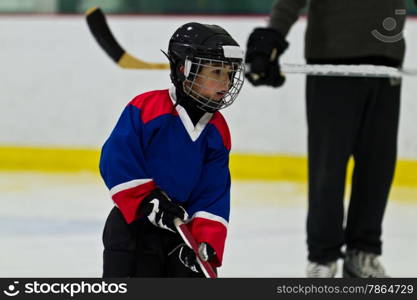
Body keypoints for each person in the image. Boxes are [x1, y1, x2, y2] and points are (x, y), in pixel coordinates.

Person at [245, 0, 412, 277]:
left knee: (378, 164)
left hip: (387, 60)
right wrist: (272, 36)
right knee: (328, 165)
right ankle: (323, 257)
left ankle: (363, 251)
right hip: (331, 59)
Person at [99, 22, 244, 277]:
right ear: (184, 70)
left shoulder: (217, 130)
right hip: (134, 230)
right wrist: (146, 199)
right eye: (216, 72)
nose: (226, 82)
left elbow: (213, 191)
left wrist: (205, 240)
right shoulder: (147, 108)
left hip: (183, 235)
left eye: (230, 73)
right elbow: (116, 158)